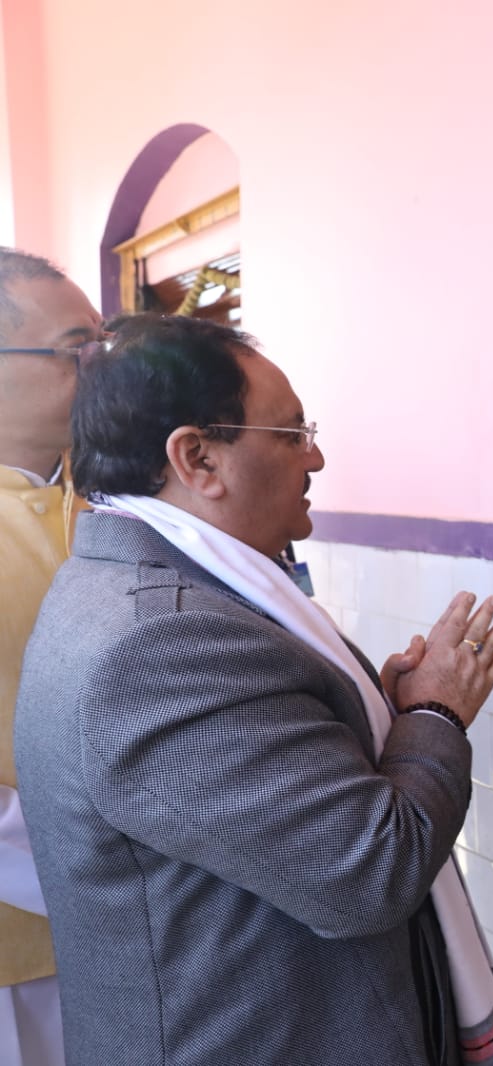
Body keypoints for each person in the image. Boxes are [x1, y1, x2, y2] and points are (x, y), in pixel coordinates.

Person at [15, 314, 493, 1066]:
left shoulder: (150, 582)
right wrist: (434, 713)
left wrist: (371, 717)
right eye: (291, 434)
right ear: (198, 459)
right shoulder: (160, 644)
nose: (316, 455)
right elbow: (370, 871)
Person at [0, 248, 100, 1066]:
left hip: (121, 925)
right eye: (79, 350)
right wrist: (81, 866)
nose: (103, 373)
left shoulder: (98, 508)